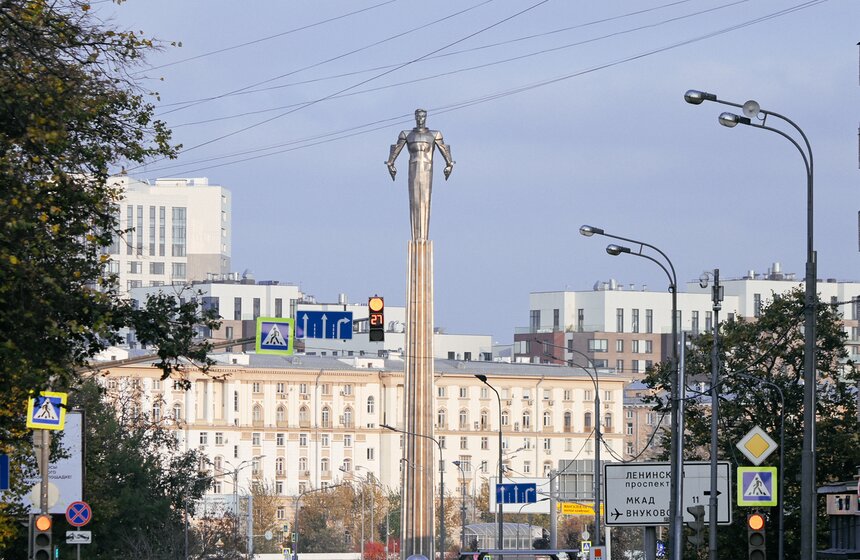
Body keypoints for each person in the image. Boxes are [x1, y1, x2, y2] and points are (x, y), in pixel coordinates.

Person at [385, 108, 454, 241]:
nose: (420, 119)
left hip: (427, 168)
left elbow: (445, 150)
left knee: (425, 200)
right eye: (418, 116)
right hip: (413, 168)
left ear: (426, 117)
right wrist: (390, 163)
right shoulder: (407, 134)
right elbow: (395, 150)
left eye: (422, 117)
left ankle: (423, 238)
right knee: (414, 202)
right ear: (415, 117)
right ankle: (417, 238)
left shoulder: (434, 135)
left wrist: (449, 164)